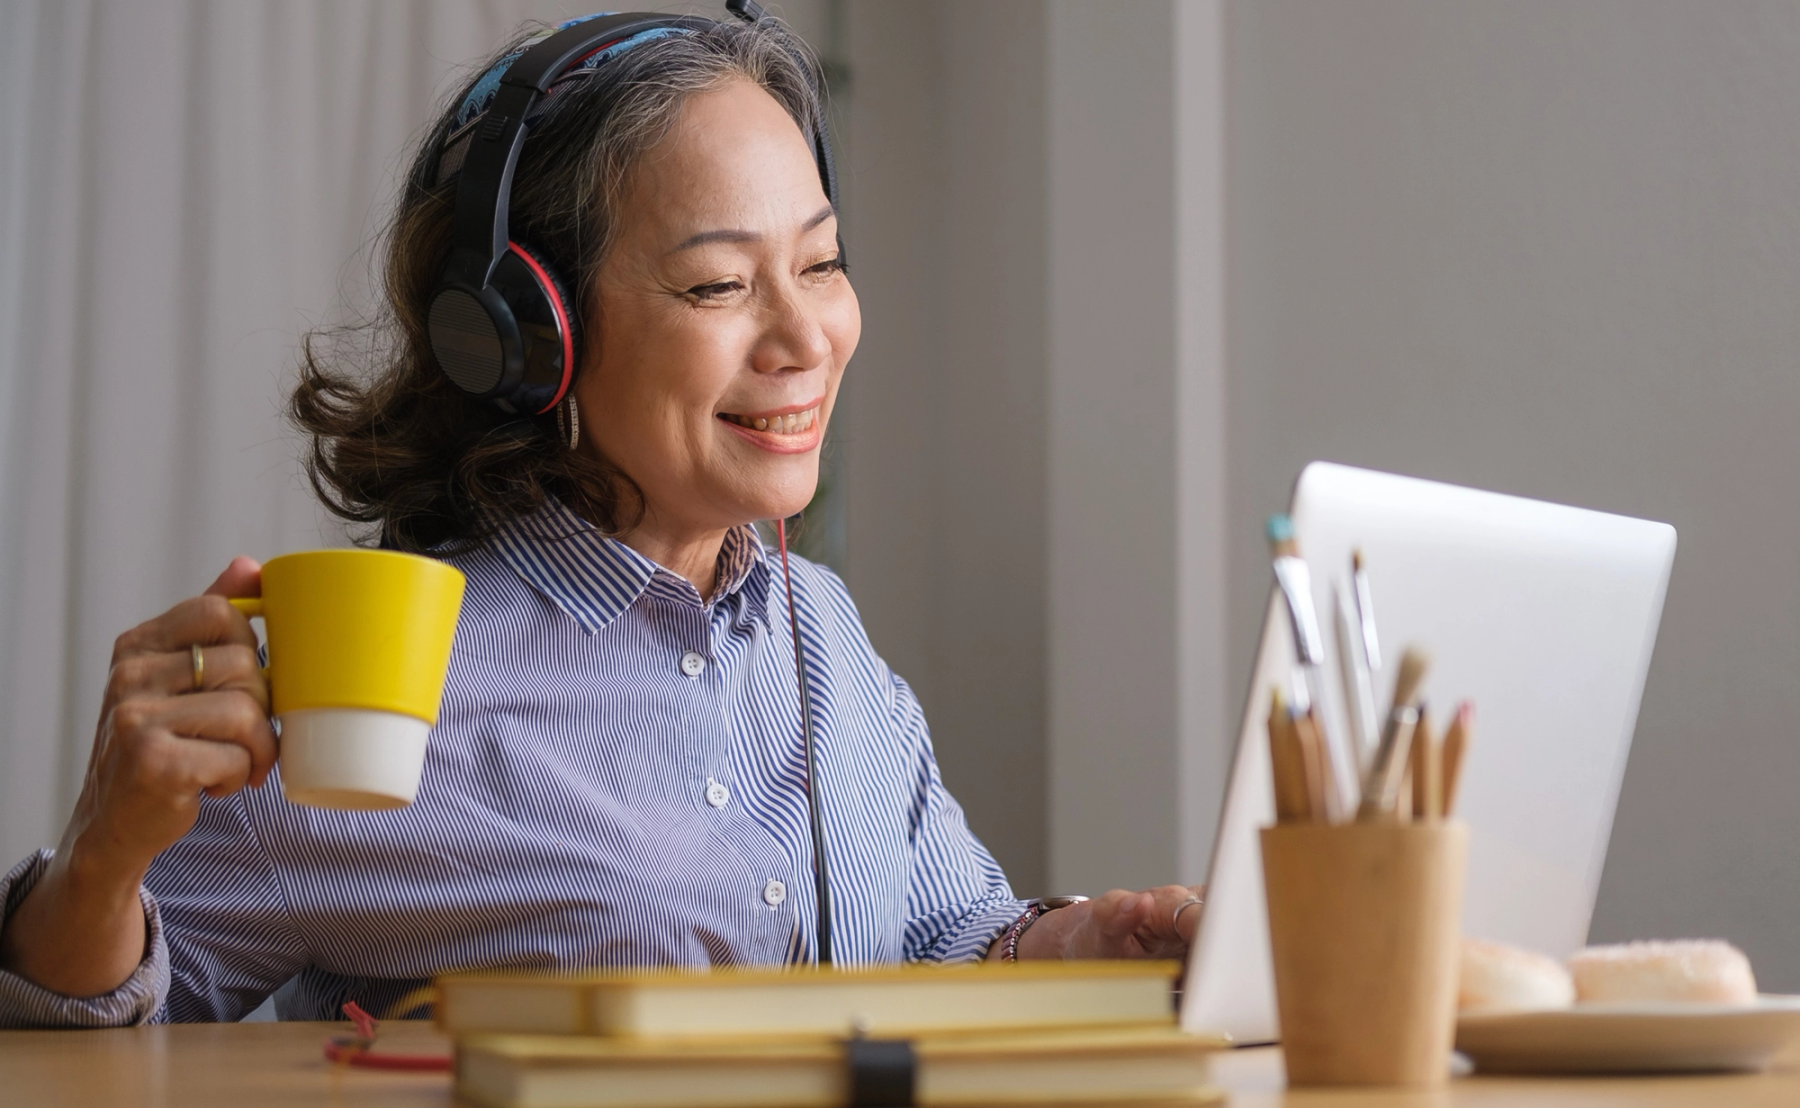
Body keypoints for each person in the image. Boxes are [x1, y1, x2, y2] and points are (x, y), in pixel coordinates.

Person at [0, 12, 1204, 1028]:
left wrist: (1077, 945)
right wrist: (105, 856)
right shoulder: (378, 685)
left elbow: (940, 938)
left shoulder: (820, 629)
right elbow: (89, 1035)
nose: (805, 340)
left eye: (823, 264)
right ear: (527, 334)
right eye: (720, 284)